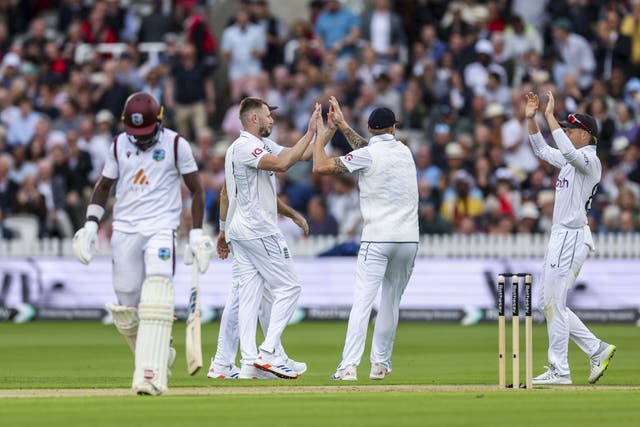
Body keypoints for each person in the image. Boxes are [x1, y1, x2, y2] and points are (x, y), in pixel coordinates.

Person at [72, 92, 214, 395]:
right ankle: (162, 354)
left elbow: (197, 190)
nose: (141, 140)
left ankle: (150, 375)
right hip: (125, 229)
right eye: (135, 134)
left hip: (162, 226)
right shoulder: (118, 145)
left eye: (146, 134)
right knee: (126, 306)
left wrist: (198, 233)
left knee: (157, 291)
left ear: (160, 120)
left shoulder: (176, 144)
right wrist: (89, 225)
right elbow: (104, 186)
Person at [312, 97, 419, 381]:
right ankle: (380, 364)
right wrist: (345, 125)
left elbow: (321, 167)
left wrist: (321, 136)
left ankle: (348, 367)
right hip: (408, 241)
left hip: (378, 238)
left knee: (362, 302)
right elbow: (369, 149)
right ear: (393, 128)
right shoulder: (405, 152)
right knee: (390, 303)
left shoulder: (368, 153)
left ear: (370, 128)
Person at [216, 97, 320, 380]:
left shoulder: (256, 145)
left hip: (242, 230)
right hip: (258, 229)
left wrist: (325, 131)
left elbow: (302, 154)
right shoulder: (246, 148)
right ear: (253, 120)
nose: (272, 119)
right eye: (268, 115)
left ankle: (250, 361)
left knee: (249, 296)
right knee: (290, 287)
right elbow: (284, 165)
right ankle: (269, 352)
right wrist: (310, 131)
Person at [525, 91, 616, 385]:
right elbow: (541, 149)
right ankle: (596, 349)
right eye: (565, 128)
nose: (565, 132)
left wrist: (549, 116)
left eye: (571, 129)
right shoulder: (570, 161)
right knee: (550, 303)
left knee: (552, 302)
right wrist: (531, 119)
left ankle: (559, 370)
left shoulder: (590, 161)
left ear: (586, 135)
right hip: (563, 236)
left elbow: (564, 150)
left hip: (571, 236)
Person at [208, 191, 309, 380]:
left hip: (237, 230)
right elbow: (268, 189)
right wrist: (294, 214)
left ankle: (237, 361)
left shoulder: (233, 161)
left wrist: (223, 229)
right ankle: (263, 355)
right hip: (253, 229)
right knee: (283, 288)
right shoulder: (256, 160)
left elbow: (225, 194)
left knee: (253, 293)